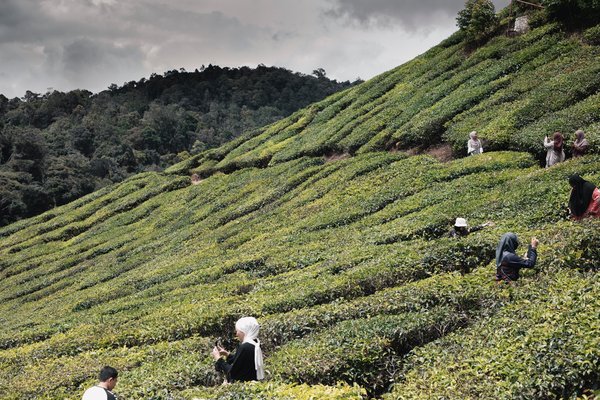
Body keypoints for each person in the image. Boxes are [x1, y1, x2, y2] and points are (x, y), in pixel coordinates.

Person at [212, 316, 265, 383]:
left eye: (237, 331)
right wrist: (227, 354)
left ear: (244, 331)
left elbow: (232, 373)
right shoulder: (254, 344)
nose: (236, 334)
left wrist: (218, 359)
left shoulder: (245, 347)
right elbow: (241, 362)